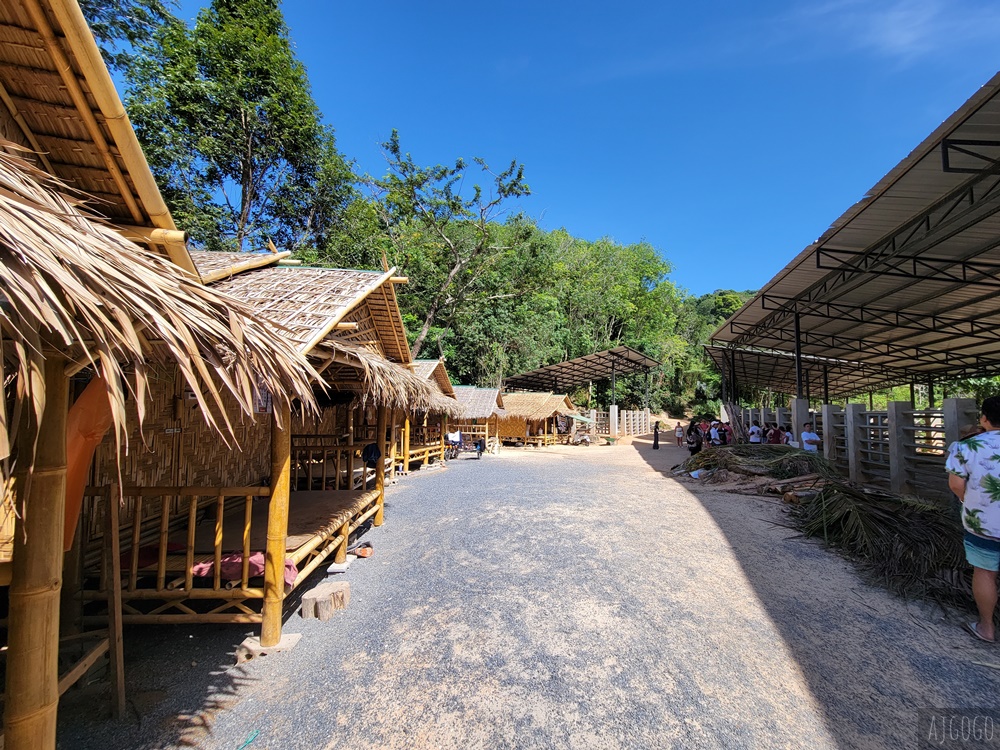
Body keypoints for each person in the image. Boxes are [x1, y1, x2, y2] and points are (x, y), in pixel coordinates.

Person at [946, 396, 1000, 643]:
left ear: (984, 419)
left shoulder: (965, 447)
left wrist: (972, 501)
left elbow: (956, 484)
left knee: (985, 572)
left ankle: (987, 627)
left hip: (984, 523)